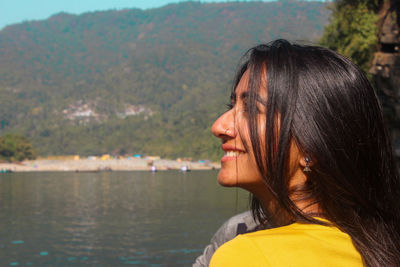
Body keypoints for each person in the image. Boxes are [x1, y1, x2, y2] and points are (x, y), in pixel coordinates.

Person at [208, 39, 400, 266]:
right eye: (232, 107)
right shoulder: (379, 244)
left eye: (251, 108)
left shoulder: (245, 254)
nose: (219, 126)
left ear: (311, 148)